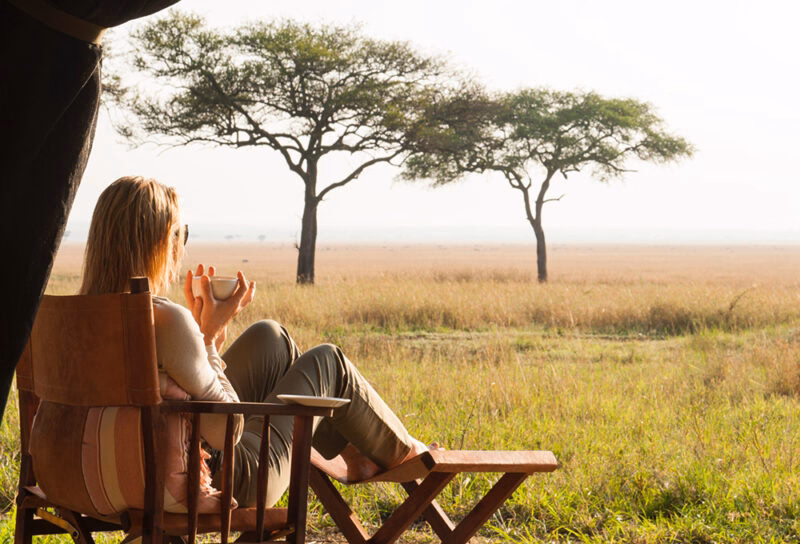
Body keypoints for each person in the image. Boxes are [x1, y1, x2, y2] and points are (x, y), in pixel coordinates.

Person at [80, 175, 430, 507]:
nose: (181, 246)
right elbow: (227, 432)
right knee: (328, 362)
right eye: (178, 234)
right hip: (218, 474)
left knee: (271, 337)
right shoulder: (166, 319)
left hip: (101, 474)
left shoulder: (75, 320)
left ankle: (355, 454)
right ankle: (404, 450)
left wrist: (202, 337)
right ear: (158, 244)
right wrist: (207, 341)